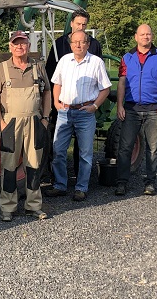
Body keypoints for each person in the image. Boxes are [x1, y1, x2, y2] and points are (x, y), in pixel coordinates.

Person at [0, 30, 52, 222]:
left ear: (28, 45)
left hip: (34, 121)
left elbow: (47, 93)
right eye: (15, 43)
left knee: (34, 165)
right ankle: (8, 207)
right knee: (9, 166)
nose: (19, 46)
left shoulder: (38, 66)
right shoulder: (2, 68)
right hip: (11, 123)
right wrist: (1, 121)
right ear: (10, 46)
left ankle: (33, 206)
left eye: (23, 43)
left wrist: (45, 118)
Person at [45, 30, 111, 202]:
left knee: (85, 153)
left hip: (85, 112)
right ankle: (60, 185)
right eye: (75, 42)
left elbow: (105, 88)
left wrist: (95, 106)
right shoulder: (65, 61)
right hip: (65, 112)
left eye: (82, 42)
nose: (78, 45)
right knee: (58, 150)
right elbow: (56, 83)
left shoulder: (96, 62)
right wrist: (56, 103)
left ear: (88, 44)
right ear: (71, 44)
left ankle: (81, 188)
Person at [114, 24, 157, 197]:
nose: (145, 37)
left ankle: (150, 182)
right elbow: (121, 83)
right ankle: (122, 183)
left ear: (152, 36)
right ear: (136, 37)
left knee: (153, 147)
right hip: (131, 108)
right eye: (142, 34)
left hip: (154, 109)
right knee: (125, 147)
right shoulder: (127, 57)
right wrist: (120, 105)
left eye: (148, 34)